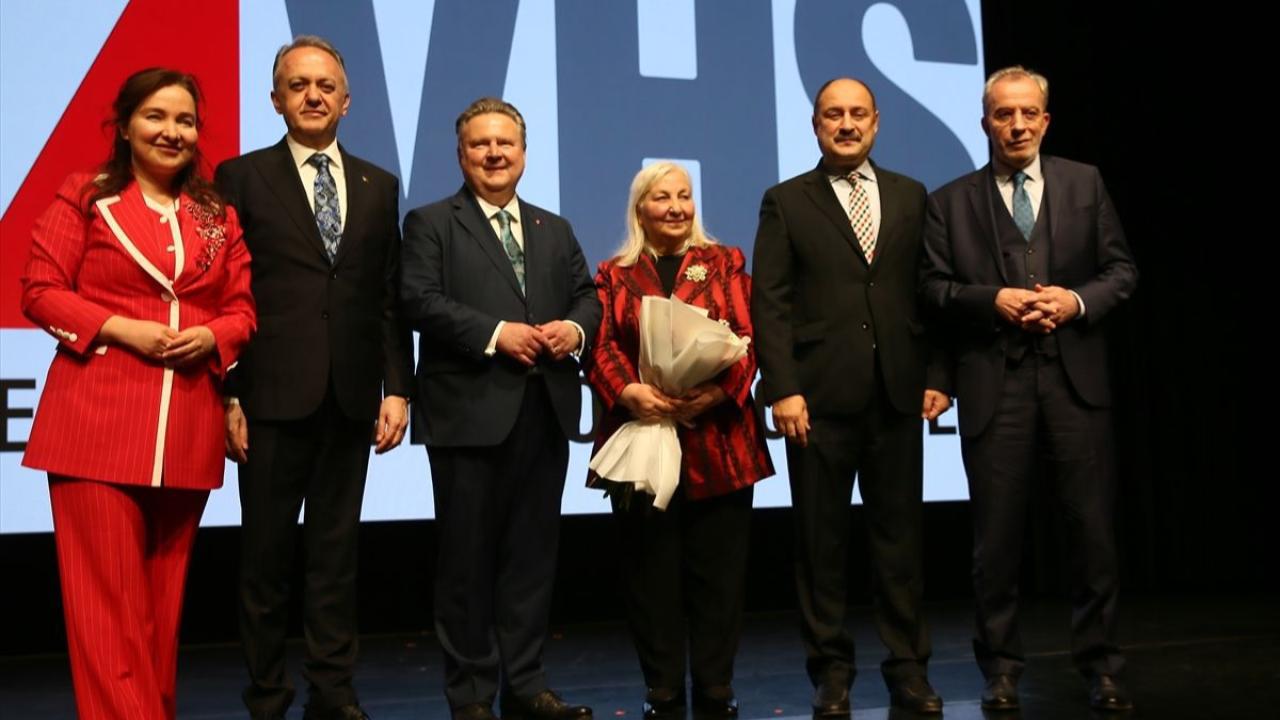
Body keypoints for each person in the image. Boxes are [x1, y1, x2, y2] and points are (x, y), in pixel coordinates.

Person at [20, 67, 255, 720]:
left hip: (185, 432)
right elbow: (40, 290)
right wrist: (125, 330)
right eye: (155, 116)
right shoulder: (86, 197)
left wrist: (213, 340)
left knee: (158, 614)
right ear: (124, 126)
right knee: (107, 615)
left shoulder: (215, 216)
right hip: (95, 427)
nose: (171, 131)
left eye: (185, 120)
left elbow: (241, 310)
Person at [919, 65, 1138, 713]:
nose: (1015, 125)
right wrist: (995, 299)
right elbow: (932, 290)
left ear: (1045, 120)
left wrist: (1074, 300)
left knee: (1092, 533)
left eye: (1027, 114)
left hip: (1076, 382)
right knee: (997, 541)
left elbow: (1121, 270)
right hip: (996, 382)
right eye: (1002, 114)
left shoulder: (1085, 183)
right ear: (984, 120)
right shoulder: (950, 200)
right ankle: (1002, 668)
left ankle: (1101, 666)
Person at [214, 35, 414, 720]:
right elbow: (222, 293)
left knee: (336, 558)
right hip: (269, 398)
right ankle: (268, 695)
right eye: (297, 85)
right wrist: (228, 391)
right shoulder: (238, 178)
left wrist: (399, 387)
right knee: (264, 562)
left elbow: (387, 296)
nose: (312, 95)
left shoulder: (379, 184)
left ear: (347, 100)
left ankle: (334, 692)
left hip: (351, 398)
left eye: (325, 85)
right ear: (275, 100)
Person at [750, 77, 951, 716]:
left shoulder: (911, 196)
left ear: (876, 122)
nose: (846, 124)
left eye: (856, 114)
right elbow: (770, 304)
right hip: (817, 402)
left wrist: (938, 375)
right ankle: (831, 671)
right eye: (833, 114)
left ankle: (908, 668)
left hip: (896, 397)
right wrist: (782, 389)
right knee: (822, 545)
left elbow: (932, 293)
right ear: (815, 125)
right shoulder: (786, 201)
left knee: (900, 543)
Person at [400, 97, 601, 720]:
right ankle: (469, 694)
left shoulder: (553, 227)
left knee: (532, 560)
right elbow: (418, 300)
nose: (494, 154)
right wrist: (496, 333)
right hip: (467, 416)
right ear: (461, 155)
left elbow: (587, 297)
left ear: (523, 152)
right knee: (465, 564)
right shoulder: (430, 223)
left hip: (543, 413)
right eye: (481, 145)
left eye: (504, 144)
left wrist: (574, 328)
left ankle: (526, 683)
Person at [586, 161, 774, 719]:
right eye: (661, 197)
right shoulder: (612, 274)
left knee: (719, 577)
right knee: (650, 577)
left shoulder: (725, 263)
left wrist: (716, 392)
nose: (675, 207)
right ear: (639, 209)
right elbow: (599, 348)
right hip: (642, 441)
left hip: (719, 443)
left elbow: (748, 336)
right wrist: (630, 393)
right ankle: (662, 686)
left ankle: (716, 685)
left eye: (684, 196)